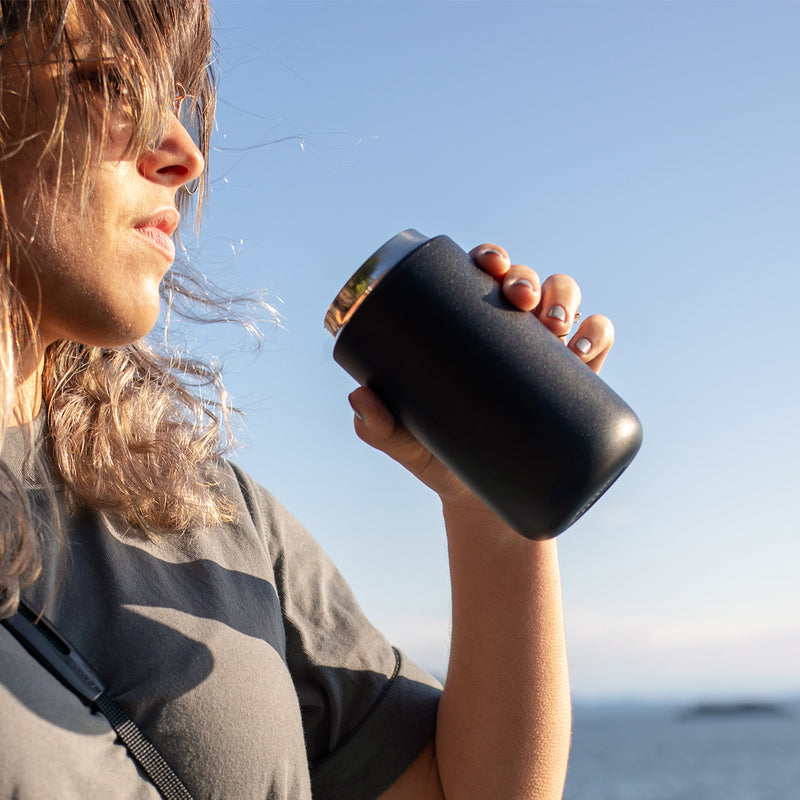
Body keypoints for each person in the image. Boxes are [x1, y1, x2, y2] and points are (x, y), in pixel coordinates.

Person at [0, 1, 615, 799]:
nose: (183, 154)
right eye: (114, 84)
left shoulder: (197, 505)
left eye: (180, 104)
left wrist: (494, 515)